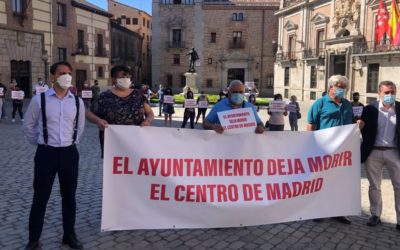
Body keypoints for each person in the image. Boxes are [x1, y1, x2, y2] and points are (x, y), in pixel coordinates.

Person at [22, 61, 85, 250]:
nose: (67, 76)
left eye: (69, 73)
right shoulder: (39, 100)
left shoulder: (77, 101)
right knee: (40, 197)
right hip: (46, 154)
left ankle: (69, 234)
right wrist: (42, 143)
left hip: (69, 154)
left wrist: (71, 142)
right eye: (62, 73)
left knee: (69, 197)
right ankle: (34, 239)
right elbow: (28, 126)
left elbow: (80, 127)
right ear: (52, 77)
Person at [307, 74, 354, 224]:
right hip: (323, 149)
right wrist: (311, 145)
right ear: (331, 87)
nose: (342, 90)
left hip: (342, 151)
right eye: (339, 87)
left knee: (339, 182)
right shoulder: (320, 103)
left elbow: (351, 123)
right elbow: (310, 125)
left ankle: (338, 211)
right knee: (321, 181)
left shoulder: (347, 104)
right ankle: (318, 210)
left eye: (344, 88)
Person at [86, 65, 154, 158]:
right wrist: (98, 120)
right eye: (122, 77)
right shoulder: (104, 97)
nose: (125, 79)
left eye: (127, 76)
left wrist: (147, 121)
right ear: (114, 79)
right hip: (113, 144)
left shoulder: (138, 95)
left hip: (136, 143)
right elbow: (89, 113)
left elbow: (149, 113)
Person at [359, 81, 400, 231]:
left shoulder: (399, 108)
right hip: (373, 152)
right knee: (374, 186)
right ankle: (375, 215)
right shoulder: (369, 109)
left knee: (398, 186)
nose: (390, 95)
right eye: (387, 92)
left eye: (392, 92)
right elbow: (360, 128)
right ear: (379, 93)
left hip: (394, 152)